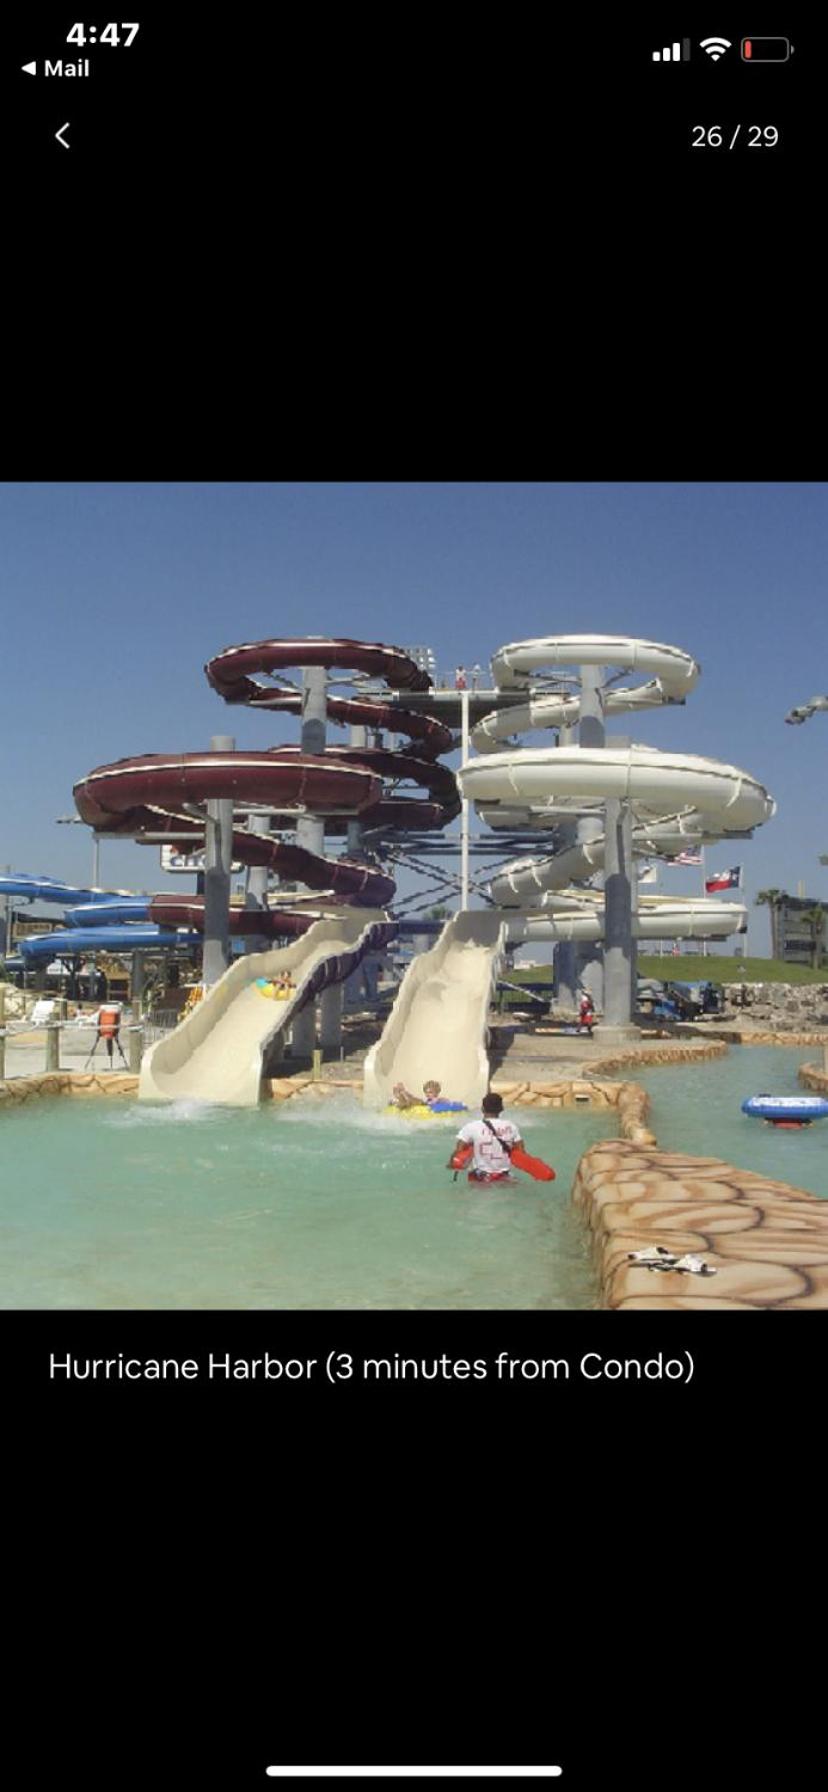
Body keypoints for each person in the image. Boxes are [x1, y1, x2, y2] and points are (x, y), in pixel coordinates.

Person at [450, 1091, 523, 1185]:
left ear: (482, 1109)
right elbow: (521, 1152)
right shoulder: (511, 1127)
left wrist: (451, 1164)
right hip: (505, 1176)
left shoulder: (471, 1127)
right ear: (501, 1108)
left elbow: (459, 1150)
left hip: (481, 1177)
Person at [391, 1078, 466, 1113]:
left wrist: (440, 1100)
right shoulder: (428, 1100)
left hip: (425, 1105)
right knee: (414, 1100)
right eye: (426, 1092)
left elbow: (446, 1101)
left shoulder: (437, 1099)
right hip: (424, 1105)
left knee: (414, 1101)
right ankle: (402, 1095)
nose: (427, 1094)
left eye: (430, 1092)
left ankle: (402, 1095)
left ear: (436, 1092)